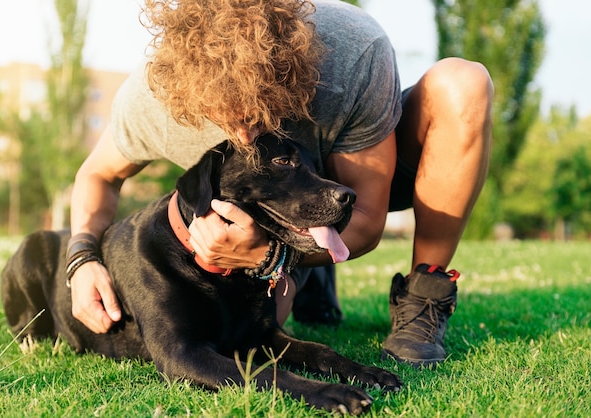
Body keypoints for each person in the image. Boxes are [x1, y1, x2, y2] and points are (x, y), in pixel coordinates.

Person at [67, 0, 493, 368]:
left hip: (348, 180)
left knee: (464, 83)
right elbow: (97, 175)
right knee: (257, 336)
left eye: (259, 112)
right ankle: (311, 270)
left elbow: (365, 220)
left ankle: (424, 294)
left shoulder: (352, 50)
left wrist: (269, 257)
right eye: (228, 117)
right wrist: (81, 258)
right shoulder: (153, 97)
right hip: (271, 210)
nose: (246, 133)